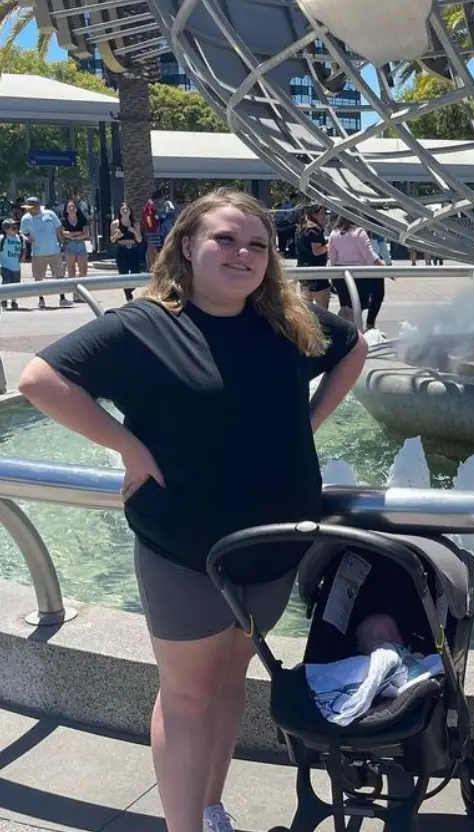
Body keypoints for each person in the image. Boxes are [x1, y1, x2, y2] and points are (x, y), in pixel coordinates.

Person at [17, 188, 366, 832]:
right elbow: (40, 380)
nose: (243, 254)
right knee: (184, 694)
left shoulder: (287, 322)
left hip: (275, 539)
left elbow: (352, 350)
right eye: (225, 240)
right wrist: (127, 446)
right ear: (186, 246)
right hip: (185, 544)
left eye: (257, 245)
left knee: (232, 674)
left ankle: (210, 808)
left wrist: (307, 424)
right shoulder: (144, 325)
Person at [327, 215, 385, 329]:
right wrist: (386, 268)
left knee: (347, 308)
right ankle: (369, 325)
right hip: (360, 274)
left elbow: (332, 257)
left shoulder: (334, 233)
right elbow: (370, 257)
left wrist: (332, 277)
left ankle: (346, 332)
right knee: (377, 295)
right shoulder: (359, 232)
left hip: (341, 274)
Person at [19, 196, 69, 309]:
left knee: (59, 275)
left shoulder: (50, 214)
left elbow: (58, 229)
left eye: (30, 208)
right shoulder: (25, 219)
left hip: (54, 251)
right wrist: (26, 239)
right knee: (38, 278)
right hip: (37, 253)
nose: (28, 210)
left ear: (37, 207)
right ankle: (41, 299)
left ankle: (62, 298)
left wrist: (63, 243)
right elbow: (23, 233)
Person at [295, 204, 331, 309]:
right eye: (322, 213)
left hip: (303, 271)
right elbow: (317, 251)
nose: (324, 216)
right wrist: (329, 245)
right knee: (323, 310)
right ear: (313, 214)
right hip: (317, 272)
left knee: (307, 309)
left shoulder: (301, 228)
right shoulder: (314, 230)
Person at [111, 203, 144, 303]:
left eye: (127, 209)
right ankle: (128, 296)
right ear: (120, 211)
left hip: (133, 249)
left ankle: (129, 289)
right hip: (121, 250)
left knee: (136, 273)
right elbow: (112, 240)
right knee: (123, 273)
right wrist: (117, 235)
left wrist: (134, 231)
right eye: (122, 209)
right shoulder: (115, 224)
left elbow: (139, 240)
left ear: (130, 211)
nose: (125, 211)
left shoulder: (135, 224)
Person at [61, 199, 91, 297]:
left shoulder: (82, 219)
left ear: (77, 208)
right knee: (71, 270)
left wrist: (73, 235)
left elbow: (86, 233)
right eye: (69, 207)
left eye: (73, 206)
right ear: (66, 209)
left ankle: (82, 293)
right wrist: (77, 233)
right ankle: (75, 294)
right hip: (69, 245)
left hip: (81, 244)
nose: (71, 208)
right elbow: (63, 233)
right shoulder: (63, 220)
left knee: (83, 271)